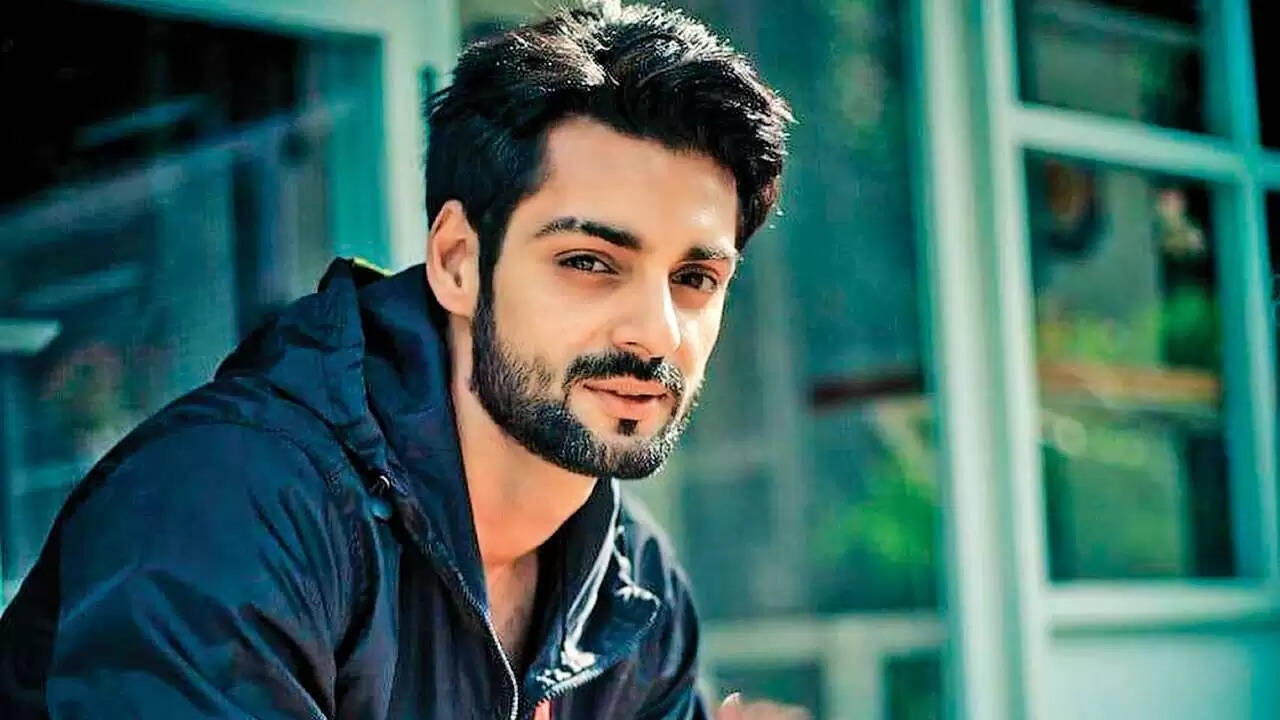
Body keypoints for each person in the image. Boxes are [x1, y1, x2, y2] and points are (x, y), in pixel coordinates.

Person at [0, 2, 804, 718]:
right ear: (458, 261)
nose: (656, 332)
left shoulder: (632, 583)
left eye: (696, 279)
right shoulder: (229, 505)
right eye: (590, 262)